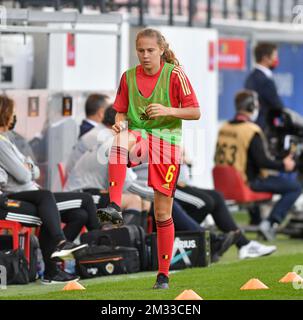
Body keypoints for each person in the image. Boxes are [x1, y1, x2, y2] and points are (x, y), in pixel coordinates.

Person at [98, 28, 201, 289]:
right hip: (141, 136)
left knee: (162, 212)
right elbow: (120, 112)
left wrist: (168, 110)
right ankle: (114, 206)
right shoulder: (128, 77)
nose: (145, 55)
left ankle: (163, 275)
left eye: (150, 50)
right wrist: (120, 125)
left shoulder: (175, 74)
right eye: (141, 51)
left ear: (161, 50)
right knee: (119, 142)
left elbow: (196, 111)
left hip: (167, 145)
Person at [0, 95, 103, 283]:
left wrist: (27, 167)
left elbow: (34, 168)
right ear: (5, 114)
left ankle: (52, 268)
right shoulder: (1, 142)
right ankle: (95, 249)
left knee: (79, 214)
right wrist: (27, 168)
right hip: (17, 195)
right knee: (84, 200)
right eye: (13, 113)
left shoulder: (8, 141)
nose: (15, 117)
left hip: (32, 192)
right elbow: (24, 175)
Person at [215, 89, 301, 241]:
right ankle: (270, 222)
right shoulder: (251, 130)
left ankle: (257, 219)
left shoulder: (224, 127)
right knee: (294, 187)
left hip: (226, 182)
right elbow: (263, 162)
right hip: (247, 183)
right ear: (251, 107)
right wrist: (283, 165)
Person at [0, 166, 87, 284]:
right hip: (8, 199)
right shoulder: (3, 147)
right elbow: (19, 175)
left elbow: (34, 171)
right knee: (50, 204)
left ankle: (54, 265)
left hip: (21, 194)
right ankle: (57, 259)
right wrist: (26, 169)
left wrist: (28, 168)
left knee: (70, 212)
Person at [245, 42, 284, 131]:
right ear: (265, 58)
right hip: (264, 129)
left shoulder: (251, 77)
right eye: (275, 56)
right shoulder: (265, 81)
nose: (276, 59)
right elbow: (277, 106)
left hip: (252, 126)